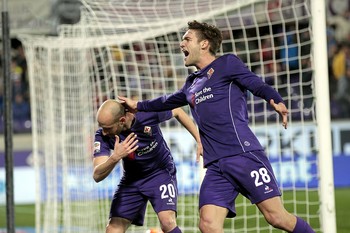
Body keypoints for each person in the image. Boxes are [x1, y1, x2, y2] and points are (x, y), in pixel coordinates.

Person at [118, 20, 315, 233]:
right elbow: (167, 101)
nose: (181, 43)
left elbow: (255, 83)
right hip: (215, 166)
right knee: (208, 224)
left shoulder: (227, 64)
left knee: (276, 217)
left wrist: (274, 98)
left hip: (243, 155)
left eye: (187, 38)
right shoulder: (191, 83)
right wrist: (137, 105)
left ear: (204, 44)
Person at [92, 99, 202, 233]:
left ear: (121, 120)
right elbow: (97, 175)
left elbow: (178, 111)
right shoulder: (102, 136)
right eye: (101, 127)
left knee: (167, 221)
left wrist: (199, 140)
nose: (104, 132)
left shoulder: (146, 114)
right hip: (132, 180)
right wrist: (115, 157)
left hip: (160, 173)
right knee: (113, 229)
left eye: (107, 128)